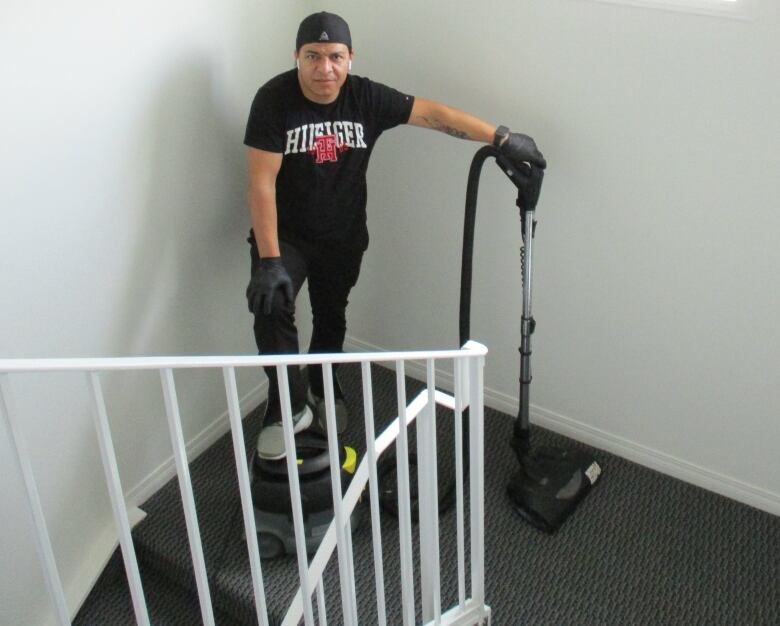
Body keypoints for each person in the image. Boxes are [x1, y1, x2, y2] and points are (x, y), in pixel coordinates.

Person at [244, 11, 546, 460]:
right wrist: (269, 260)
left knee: (331, 316)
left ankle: (325, 386)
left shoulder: (364, 96)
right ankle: (286, 405)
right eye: (313, 56)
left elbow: (431, 114)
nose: (324, 68)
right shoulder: (273, 100)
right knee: (271, 308)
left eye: (334, 57)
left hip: (342, 234)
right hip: (285, 236)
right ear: (296, 57)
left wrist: (499, 137)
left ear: (350, 58)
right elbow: (261, 182)